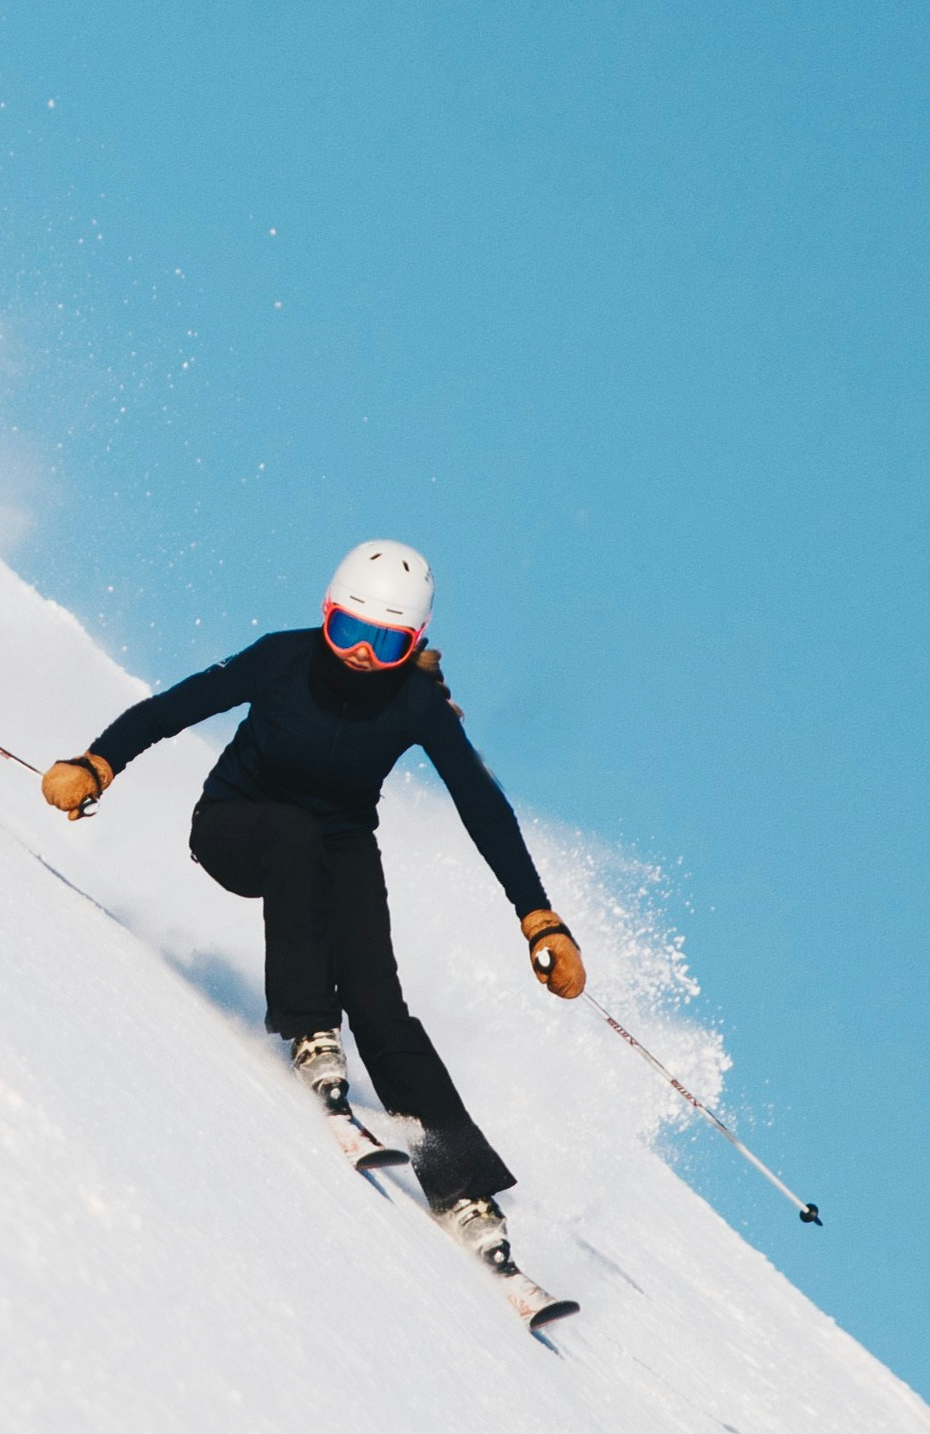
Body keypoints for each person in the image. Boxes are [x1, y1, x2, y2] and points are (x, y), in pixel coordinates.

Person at [41, 540, 585, 1263]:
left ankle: (461, 1186)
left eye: (385, 641)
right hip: (237, 826)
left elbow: (480, 804)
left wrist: (538, 915)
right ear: (325, 617)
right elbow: (177, 706)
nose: (361, 653)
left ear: (413, 643)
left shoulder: (415, 703)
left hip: (338, 847)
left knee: (381, 1000)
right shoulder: (283, 658)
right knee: (295, 833)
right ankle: (309, 1029)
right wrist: (97, 762)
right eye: (348, 630)